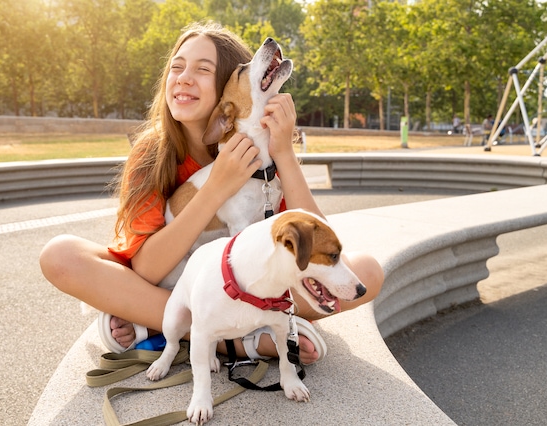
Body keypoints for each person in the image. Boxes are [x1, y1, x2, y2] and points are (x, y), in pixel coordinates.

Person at [39, 22, 384, 366]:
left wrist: (285, 156)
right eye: (177, 66)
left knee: (367, 270)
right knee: (61, 255)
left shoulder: (264, 155)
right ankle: (230, 342)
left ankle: (154, 320)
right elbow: (145, 270)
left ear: (227, 94)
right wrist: (217, 186)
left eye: (203, 69)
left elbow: (321, 249)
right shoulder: (153, 152)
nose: (184, 77)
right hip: (170, 279)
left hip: (238, 285)